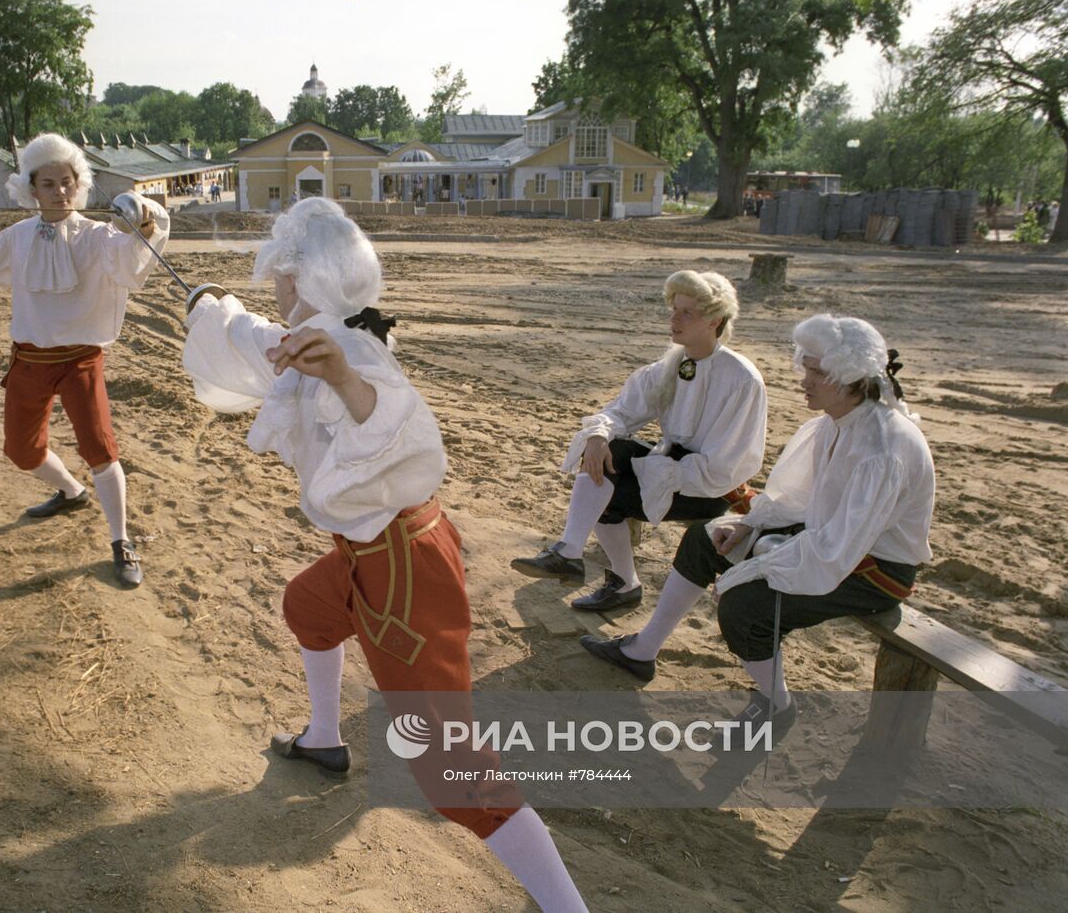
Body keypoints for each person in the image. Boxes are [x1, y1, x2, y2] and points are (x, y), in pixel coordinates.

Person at [181, 198, 588, 912]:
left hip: (403, 570)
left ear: (305, 281)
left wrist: (341, 377)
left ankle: (567, 907)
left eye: (282, 273)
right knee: (308, 604)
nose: (275, 284)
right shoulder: (323, 334)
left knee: (454, 772)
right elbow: (257, 338)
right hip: (382, 549)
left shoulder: (351, 353)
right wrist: (210, 303)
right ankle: (322, 738)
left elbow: (393, 422)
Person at [581, 315, 935, 734]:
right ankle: (641, 651)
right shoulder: (838, 420)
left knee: (745, 607)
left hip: (875, 571)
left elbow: (837, 550)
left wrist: (757, 566)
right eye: (805, 367)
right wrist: (751, 526)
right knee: (704, 539)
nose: (805, 380)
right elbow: (799, 498)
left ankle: (775, 706)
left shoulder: (881, 449)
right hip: (832, 539)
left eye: (818, 372)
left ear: (852, 378)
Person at [0, 132, 169, 588]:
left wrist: (145, 223)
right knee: (20, 449)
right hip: (29, 359)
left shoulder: (97, 237)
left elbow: (129, 258)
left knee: (99, 448)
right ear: (32, 190)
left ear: (80, 183)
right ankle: (70, 492)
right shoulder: (16, 237)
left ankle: (120, 540)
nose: (60, 191)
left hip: (81, 360)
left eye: (68, 182)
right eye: (48, 184)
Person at [511, 271, 767, 614]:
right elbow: (622, 411)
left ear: (715, 320)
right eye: (673, 309)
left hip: (707, 488)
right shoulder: (670, 365)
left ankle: (620, 582)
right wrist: (599, 436)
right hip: (670, 466)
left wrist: (657, 470)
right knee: (605, 454)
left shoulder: (742, 379)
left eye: (686, 312)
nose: (674, 319)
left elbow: (726, 465)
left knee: (606, 490)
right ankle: (572, 554)